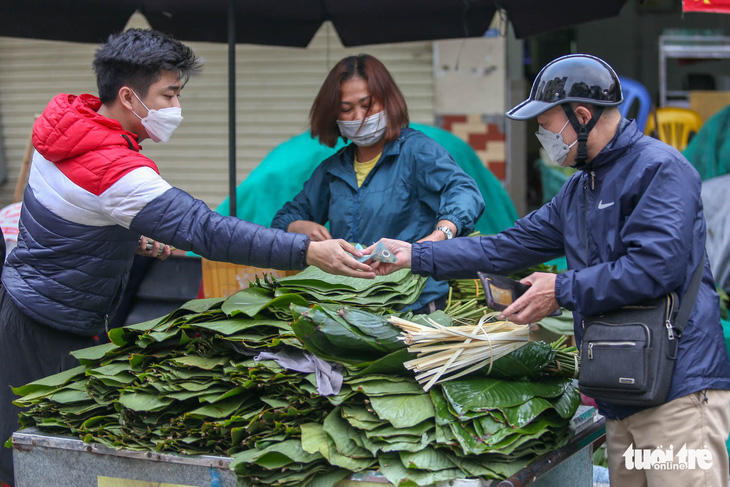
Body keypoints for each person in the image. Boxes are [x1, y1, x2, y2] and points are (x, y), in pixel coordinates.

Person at [0, 29, 373, 486]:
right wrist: (308, 251)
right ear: (127, 96)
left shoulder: (66, 124)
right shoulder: (116, 169)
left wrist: (125, 235)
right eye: (169, 94)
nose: (176, 107)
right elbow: (205, 229)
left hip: (32, 302)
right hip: (47, 326)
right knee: (39, 460)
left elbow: (65, 212)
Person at [367, 54, 730, 486]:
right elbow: (505, 249)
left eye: (545, 122)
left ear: (581, 116)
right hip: (623, 392)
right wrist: (412, 255)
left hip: (677, 397)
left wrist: (560, 288)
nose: (541, 134)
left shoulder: (660, 170)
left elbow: (655, 269)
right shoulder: (580, 189)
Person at [271, 54, 484, 314]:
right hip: (351, 305)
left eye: (367, 105)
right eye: (347, 109)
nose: (359, 117)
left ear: (388, 102)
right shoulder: (332, 170)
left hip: (411, 304)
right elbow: (285, 217)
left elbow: (464, 191)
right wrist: (298, 225)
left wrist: (439, 237)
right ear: (333, 114)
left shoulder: (417, 152)